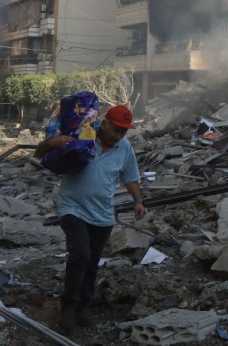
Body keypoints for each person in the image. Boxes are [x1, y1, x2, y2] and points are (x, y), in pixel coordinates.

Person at [34, 103, 146, 331]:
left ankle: (84, 305)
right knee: (80, 254)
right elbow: (39, 154)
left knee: (92, 262)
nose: (118, 135)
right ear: (104, 123)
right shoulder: (82, 136)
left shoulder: (124, 148)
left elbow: (130, 176)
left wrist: (138, 201)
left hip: (103, 214)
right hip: (72, 207)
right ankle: (68, 307)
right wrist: (50, 143)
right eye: (115, 129)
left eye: (123, 131)